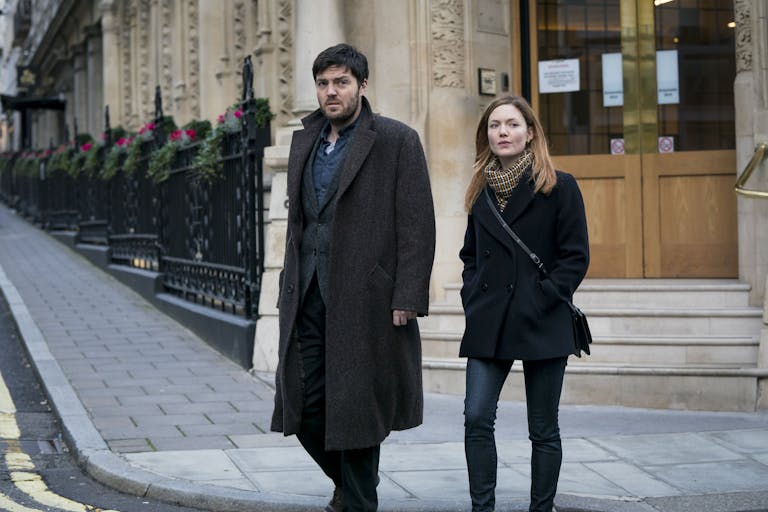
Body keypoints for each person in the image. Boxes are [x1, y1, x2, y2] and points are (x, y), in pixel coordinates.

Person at [270, 43, 436, 512]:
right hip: (307, 292)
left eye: (341, 82)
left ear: (362, 86)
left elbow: (417, 223)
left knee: (359, 405)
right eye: (323, 83)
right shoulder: (305, 139)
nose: (331, 92)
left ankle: (358, 501)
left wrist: (408, 294)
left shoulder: (395, 139)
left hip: (368, 295)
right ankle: (349, 486)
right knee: (302, 401)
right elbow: (301, 222)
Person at [459, 96, 589, 512]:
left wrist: (543, 298)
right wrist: (472, 295)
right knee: (477, 417)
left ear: (530, 132)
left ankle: (541, 508)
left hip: (542, 319)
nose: (503, 132)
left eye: (512, 124)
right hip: (489, 319)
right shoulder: (481, 191)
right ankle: (483, 507)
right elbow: (470, 256)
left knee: (542, 428)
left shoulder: (559, 185)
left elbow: (575, 257)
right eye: (495, 125)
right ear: (487, 135)